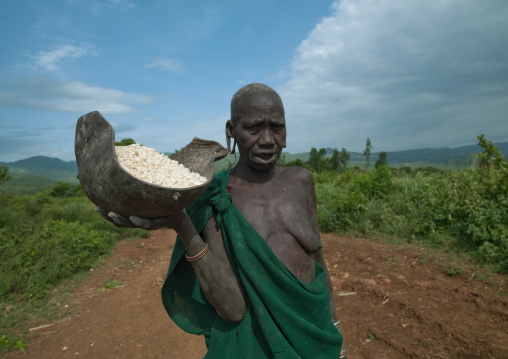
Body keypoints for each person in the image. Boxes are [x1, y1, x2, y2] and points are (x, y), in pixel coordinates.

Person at [98, 83, 346, 358]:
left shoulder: (301, 181)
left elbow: (318, 262)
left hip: (315, 337)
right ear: (231, 132)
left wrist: (333, 327)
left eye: (276, 127)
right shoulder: (214, 196)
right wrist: (183, 225)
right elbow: (232, 308)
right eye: (253, 128)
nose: (267, 139)